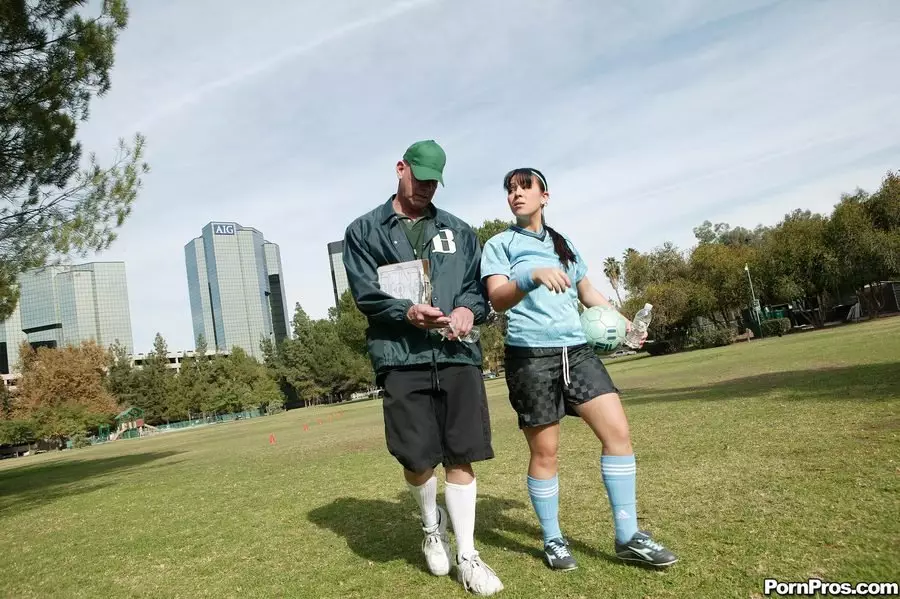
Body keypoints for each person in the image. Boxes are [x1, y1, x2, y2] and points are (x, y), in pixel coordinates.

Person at [479, 167, 678, 572]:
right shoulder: (499, 245)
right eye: (510, 190)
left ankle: (628, 537)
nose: (516, 195)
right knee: (546, 452)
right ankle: (553, 539)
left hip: (578, 351)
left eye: (525, 188)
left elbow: (587, 293)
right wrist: (531, 275)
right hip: (531, 357)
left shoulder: (563, 243)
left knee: (617, 433)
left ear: (544, 196)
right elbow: (497, 298)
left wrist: (625, 325)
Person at [342, 140, 504, 596]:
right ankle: (432, 527)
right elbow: (366, 294)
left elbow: (476, 288)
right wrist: (406, 312)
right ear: (401, 168)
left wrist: (470, 310)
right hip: (400, 358)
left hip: (456, 355)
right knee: (416, 459)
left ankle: (468, 556)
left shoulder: (459, 231)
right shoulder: (363, 231)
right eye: (420, 179)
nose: (427, 188)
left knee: (461, 453)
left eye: (434, 182)